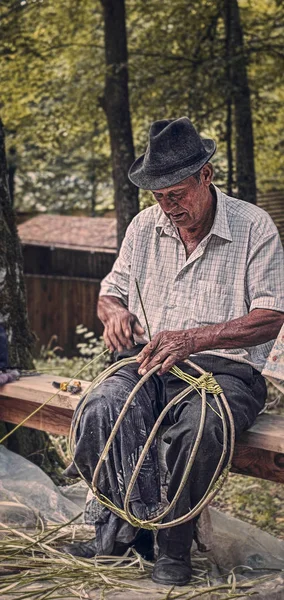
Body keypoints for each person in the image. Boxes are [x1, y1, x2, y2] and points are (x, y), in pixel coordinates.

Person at [63, 117, 284, 586]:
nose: (168, 208)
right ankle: (122, 532)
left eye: (177, 194)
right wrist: (113, 314)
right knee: (99, 408)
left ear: (206, 175)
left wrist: (195, 338)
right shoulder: (146, 226)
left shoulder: (253, 226)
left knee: (199, 425)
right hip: (148, 362)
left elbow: (270, 315)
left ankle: (172, 549)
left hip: (226, 371)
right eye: (159, 197)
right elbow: (111, 292)